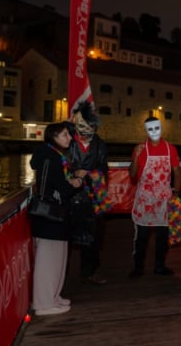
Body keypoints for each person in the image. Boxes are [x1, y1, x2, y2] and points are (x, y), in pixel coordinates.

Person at [29, 122, 83, 316]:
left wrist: (69, 182)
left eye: (69, 134)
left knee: (57, 258)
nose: (69, 138)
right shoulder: (51, 158)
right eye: (64, 135)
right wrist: (76, 183)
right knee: (48, 261)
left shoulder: (54, 155)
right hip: (50, 216)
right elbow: (61, 188)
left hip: (53, 215)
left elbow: (55, 183)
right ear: (53, 137)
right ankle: (43, 303)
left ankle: (53, 296)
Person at [128, 116, 181, 277]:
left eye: (157, 128)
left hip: (164, 199)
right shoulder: (140, 149)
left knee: (162, 236)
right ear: (146, 131)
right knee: (141, 236)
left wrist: (176, 195)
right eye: (150, 129)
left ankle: (160, 266)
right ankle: (138, 268)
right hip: (144, 199)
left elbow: (177, 173)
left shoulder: (170, 149)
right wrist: (137, 157)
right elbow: (132, 175)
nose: (154, 132)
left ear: (161, 128)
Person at [67, 101, 109, 285]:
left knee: (93, 237)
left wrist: (91, 174)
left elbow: (104, 169)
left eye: (89, 130)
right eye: (82, 131)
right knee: (65, 237)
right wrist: (72, 174)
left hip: (92, 197)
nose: (85, 136)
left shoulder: (100, 145)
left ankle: (90, 271)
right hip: (69, 196)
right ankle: (62, 274)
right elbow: (58, 165)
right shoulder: (66, 142)